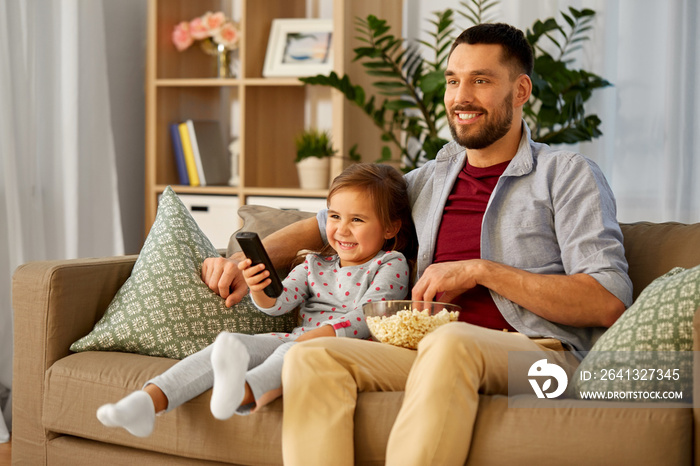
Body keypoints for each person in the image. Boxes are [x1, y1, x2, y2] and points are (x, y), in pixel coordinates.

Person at [201, 23, 633, 465]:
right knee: (312, 356)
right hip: (426, 349)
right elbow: (324, 225)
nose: (461, 96)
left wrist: (479, 270)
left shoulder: (566, 174)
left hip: (544, 360)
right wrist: (242, 259)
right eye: (452, 80)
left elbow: (607, 301)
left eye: (480, 80)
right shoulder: (430, 179)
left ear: (520, 90)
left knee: (452, 343)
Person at [95, 162, 417, 437]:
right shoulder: (314, 264)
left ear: (390, 227)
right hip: (297, 338)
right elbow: (278, 304)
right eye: (334, 216)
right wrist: (259, 286)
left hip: (345, 349)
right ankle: (148, 402)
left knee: (291, 349)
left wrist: (313, 338)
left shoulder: (391, 265)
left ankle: (241, 392)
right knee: (232, 342)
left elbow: (369, 316)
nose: (342, 230)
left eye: (357, 220)